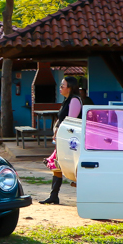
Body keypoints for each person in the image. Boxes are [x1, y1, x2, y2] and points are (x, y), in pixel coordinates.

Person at [40, 76, 83, 205]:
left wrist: (59, 131)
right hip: (62, 138)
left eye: (62, 86)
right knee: (57, 166)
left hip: (70, 140)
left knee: (71, 166)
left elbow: (70, 122)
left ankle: (84, 196)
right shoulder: (66, 100)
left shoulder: (74, 100)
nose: (60, 88)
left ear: (69, 88)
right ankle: (54, 195)